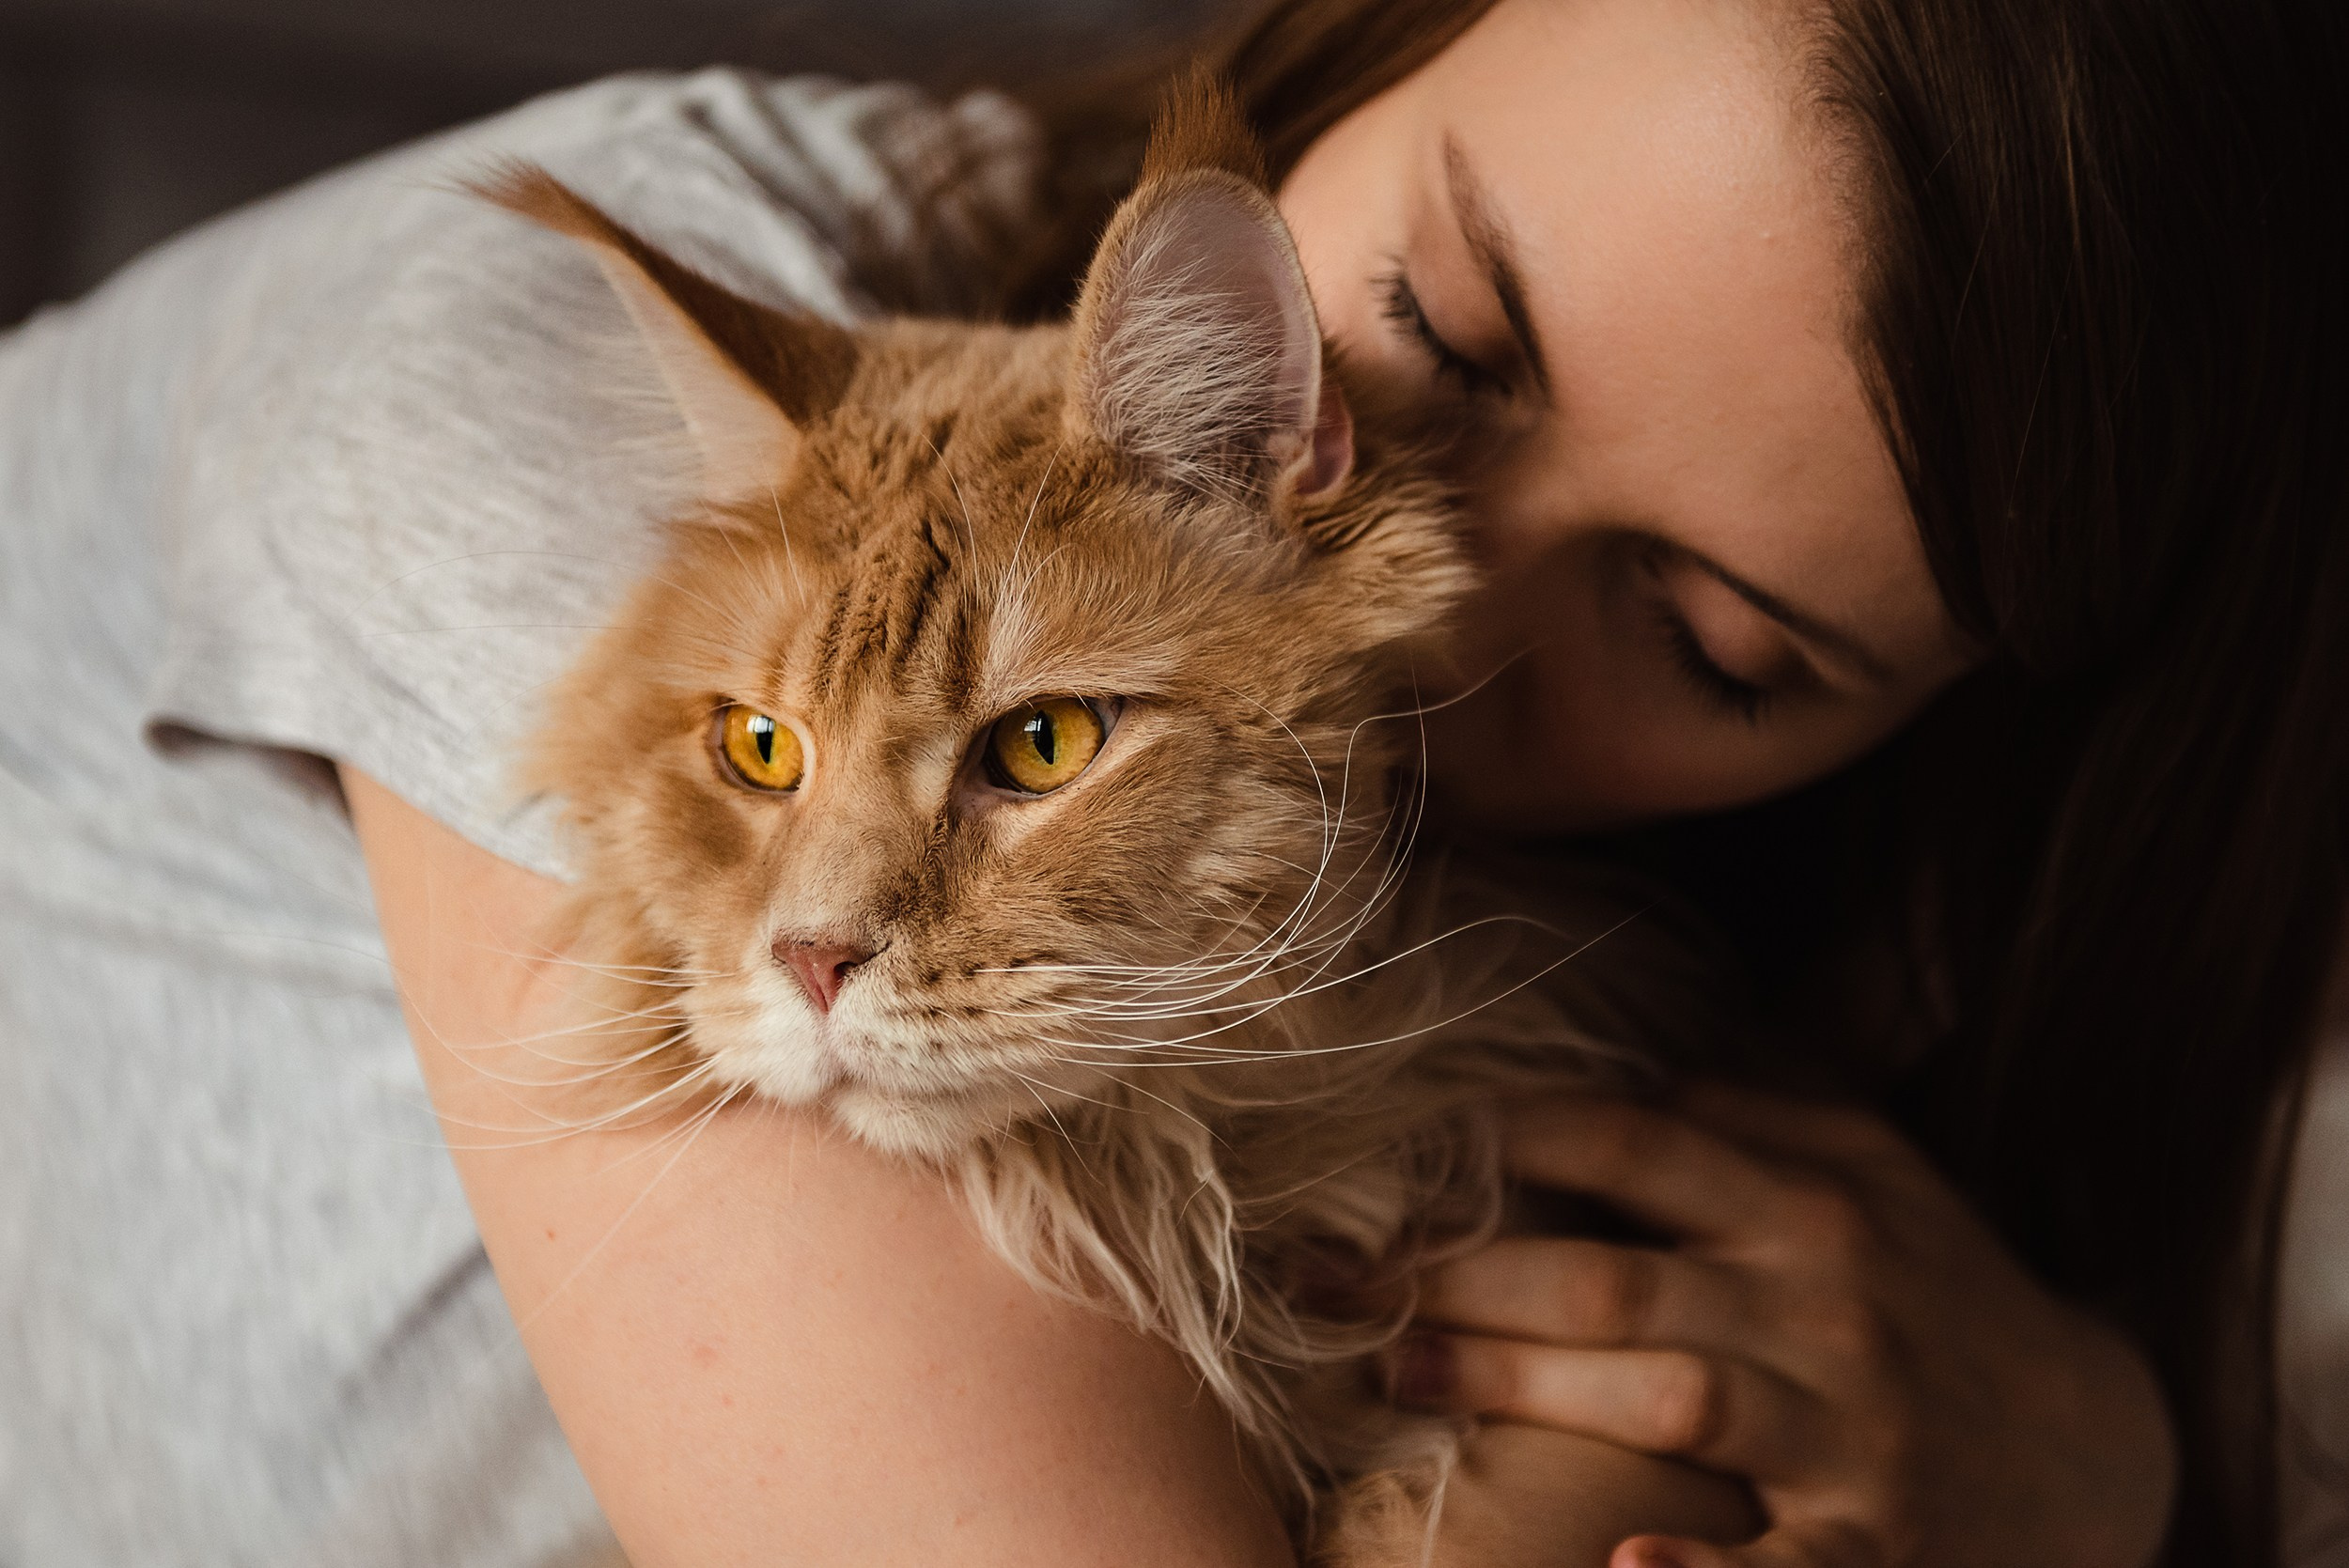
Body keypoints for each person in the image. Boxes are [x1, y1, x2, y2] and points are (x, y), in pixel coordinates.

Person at [0, 2, 2338, 1566]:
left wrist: (2104, 1450)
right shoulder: (566, 403)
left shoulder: (1735, 931)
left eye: (1713, 643)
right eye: (1426, 340)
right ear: (1368, 36)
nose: (1401, 611)